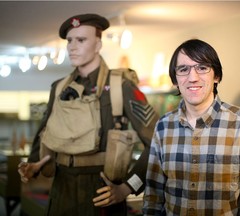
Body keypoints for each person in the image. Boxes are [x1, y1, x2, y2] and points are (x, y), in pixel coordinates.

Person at [18, 13, 158, 216]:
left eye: (81, 40)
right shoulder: (58, 88)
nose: (72, 47)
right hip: (60, 191)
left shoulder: (121, 86)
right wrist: (33, 166)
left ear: (98, 44)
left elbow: (157, 143)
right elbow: (44, 134)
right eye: (69, 41)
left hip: (102, 191)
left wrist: (127, 188)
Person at [142, 39, 240, 215]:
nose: (192, 77)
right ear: (175, 80)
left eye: (202, 68)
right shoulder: (163, 126)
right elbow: (153, 195)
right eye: (184, 69)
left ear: (216, 76)